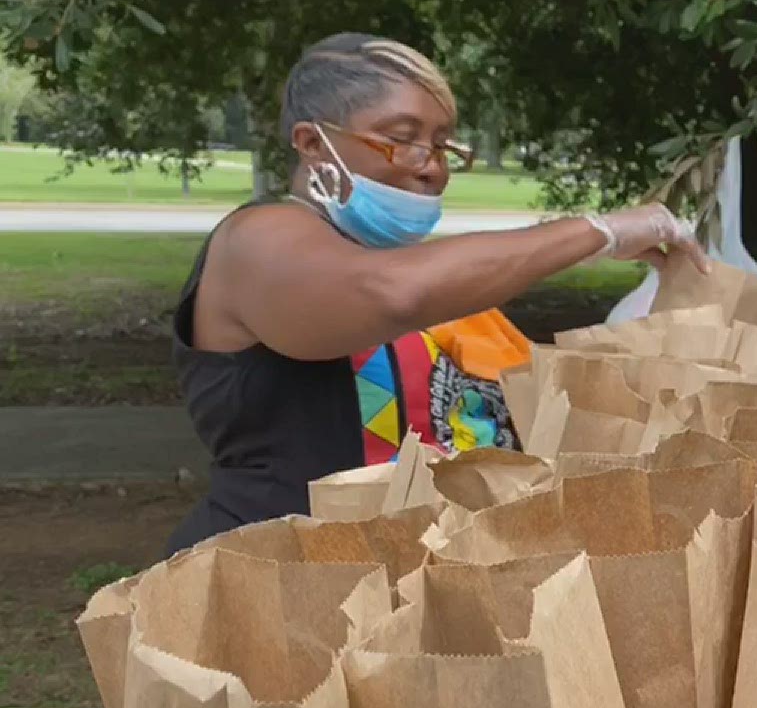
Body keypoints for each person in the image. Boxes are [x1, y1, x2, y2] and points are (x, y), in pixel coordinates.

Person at [166, 33, 708, 553]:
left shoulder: (400, 263)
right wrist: (599, 230)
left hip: (397, 596)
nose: (432, 167)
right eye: (402, 139)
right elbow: (391, 296)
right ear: (312, 143)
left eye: (442, 144)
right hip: (272, 588)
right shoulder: (257, 240)